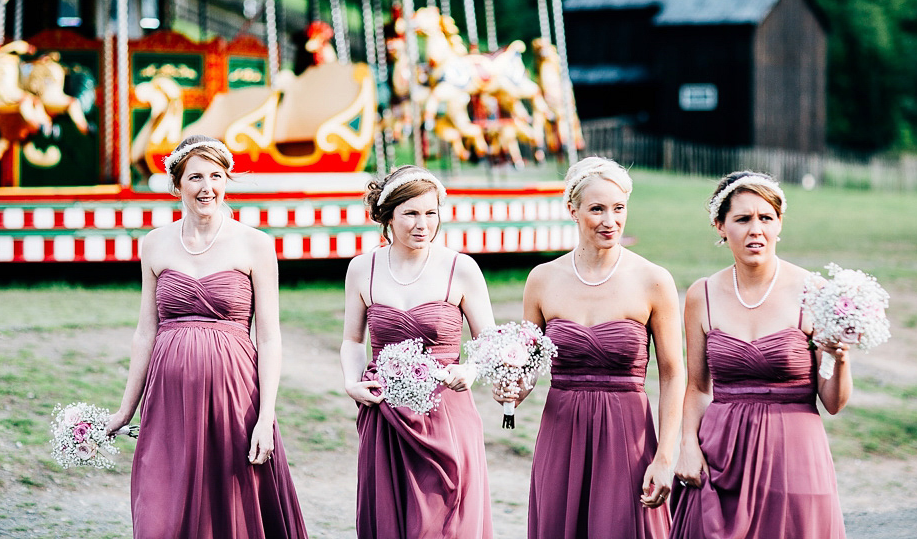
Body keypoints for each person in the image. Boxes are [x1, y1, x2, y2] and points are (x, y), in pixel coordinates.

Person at [105, 135, 308, 539]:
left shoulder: (256, 244)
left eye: (216, 175)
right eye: (195, 176)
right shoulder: (155, 243)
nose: (207, 186)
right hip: (169, 401)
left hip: (234, 400)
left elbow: (268, 337)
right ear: (176, 184)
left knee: (228, 510)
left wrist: (266, 417)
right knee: (161, 510)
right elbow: (146, 331)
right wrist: (127, 409)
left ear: (227, 180)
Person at [509, 156, 685, 539]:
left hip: (628, 434)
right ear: (572, 210)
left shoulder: (653, 280)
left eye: (619, 208)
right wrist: (511, 391)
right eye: (597, 209)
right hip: (562, 433)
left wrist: (665, 456)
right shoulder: (542, 280)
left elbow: (673, 373)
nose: (610, 221)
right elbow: (529, 368)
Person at [670, 171, 852, 538]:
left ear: (779, 224)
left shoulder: (814, 291)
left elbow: (832, 403)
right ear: (720, 227)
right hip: (721, 455)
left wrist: (840, 358)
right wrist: (687, 445)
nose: (756, 229)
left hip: (794, 455)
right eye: (743, 219)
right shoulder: (700, 294)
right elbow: (697, 388)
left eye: (766, 218)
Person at [340, 165, 495, 539]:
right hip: (386, 416)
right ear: (388, 215)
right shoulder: (363, 269)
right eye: (410, 213)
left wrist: (469, 370)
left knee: (445, 520)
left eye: (431, 212)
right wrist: (352, 382)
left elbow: (488, 338)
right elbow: (351, 341)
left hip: (446, 414)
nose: (422, 223)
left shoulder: (461, 268)